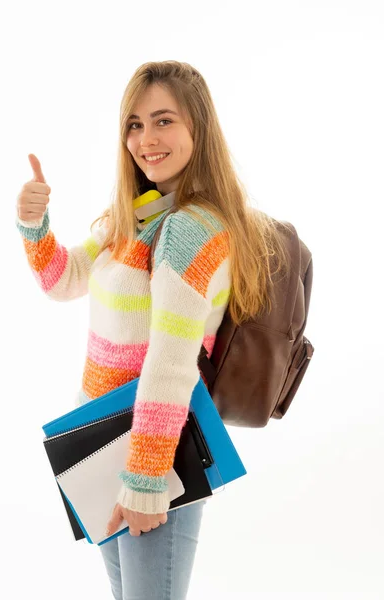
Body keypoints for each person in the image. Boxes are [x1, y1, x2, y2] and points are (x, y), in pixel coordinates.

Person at [15, 60, 288, 600]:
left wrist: (144, 482)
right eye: (134, 125)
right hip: (104, 442)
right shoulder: (134, 217)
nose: (146, 139)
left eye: (164, 121)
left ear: (198, 129)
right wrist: (34, 224)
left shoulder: (190, 228)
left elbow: (169, 363)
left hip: (154, 455)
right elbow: (60, 279)